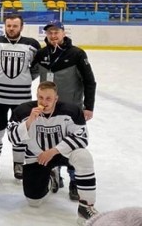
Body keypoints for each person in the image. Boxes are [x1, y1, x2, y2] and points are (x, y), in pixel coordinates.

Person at [7, 81, 98, 224]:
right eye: (40, 98)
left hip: (63, 154)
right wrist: (29, 121)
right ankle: (50, 177)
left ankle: (86, 206)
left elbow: (82, 138)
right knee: (33, 201)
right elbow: (13, 139)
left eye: (48, 98)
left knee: (83, 156)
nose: (44, 102)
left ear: (56, 98)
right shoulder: (23, 111)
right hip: (37, 157)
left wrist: (54, 151)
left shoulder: (71, 111)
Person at [32, 20, 97, 201]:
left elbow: (89, 82)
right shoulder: (42, 53)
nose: (53, 36)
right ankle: (55, 173)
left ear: (63, 33)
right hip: (49, 109)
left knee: (74, 144)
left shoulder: (76, 54)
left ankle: (74, 181)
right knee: (51, 140)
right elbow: (30, 74)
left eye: (56, 32)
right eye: (50, 33)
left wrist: (89, 107)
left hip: (72, 109)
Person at [0, 14, 41, 181]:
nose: (11, 28)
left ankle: (18, 164)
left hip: (22, 98)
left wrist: (25, 80)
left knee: (21, 132)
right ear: (5, 25)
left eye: (15, 26)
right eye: (8, 25)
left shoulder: (32, 44)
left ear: (21, 27)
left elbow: (37, 68)